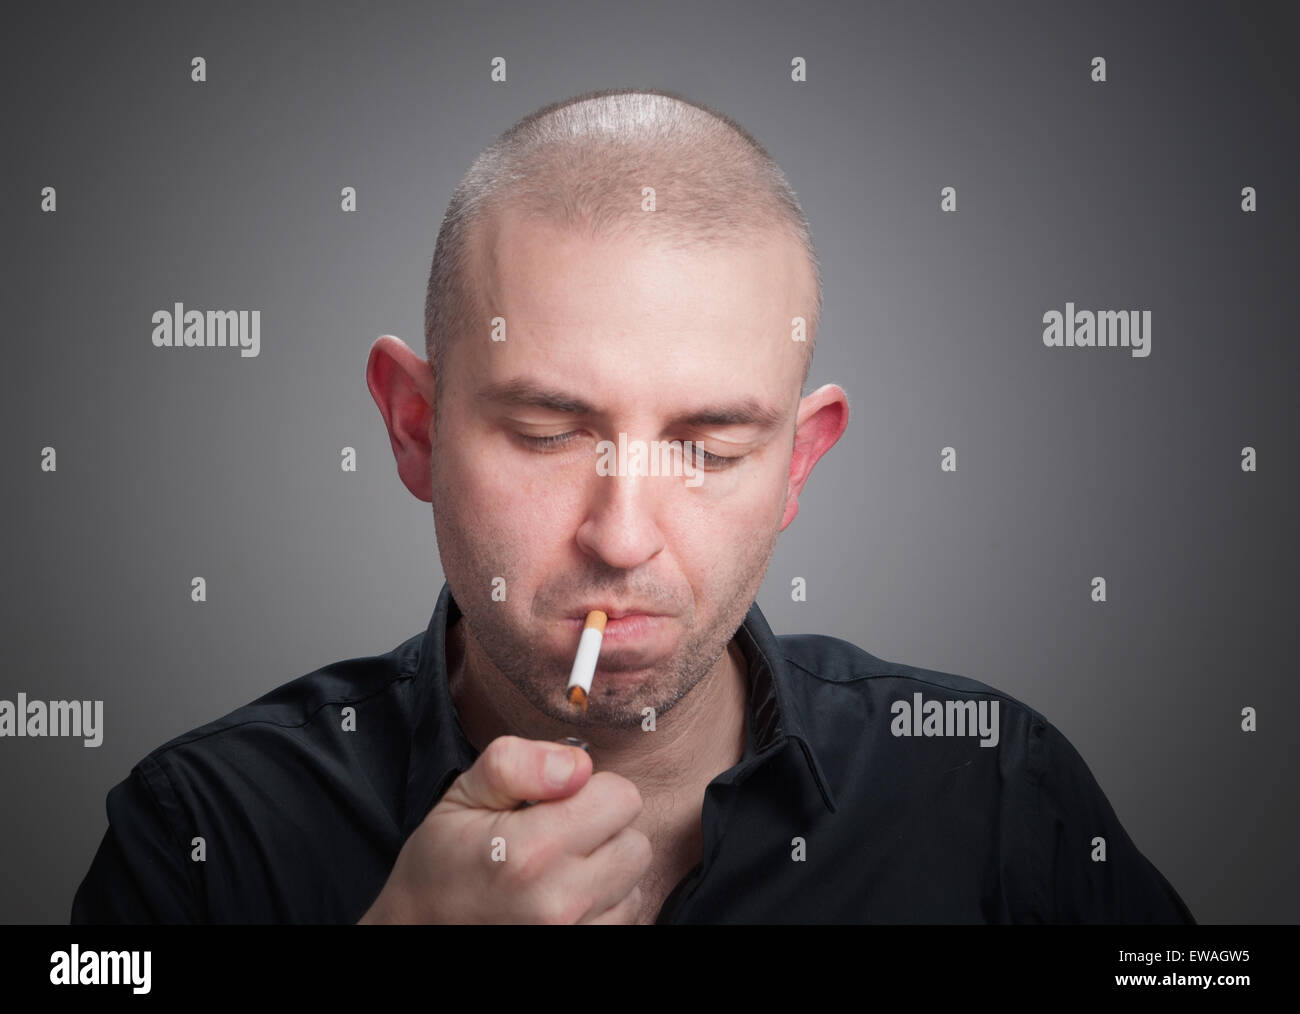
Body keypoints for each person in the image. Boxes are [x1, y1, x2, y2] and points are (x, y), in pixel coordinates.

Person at [71, 88, 1194, 925]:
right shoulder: (199, 835)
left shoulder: (990, 787)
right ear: (414, 427)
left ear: (798, 463)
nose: (621, 535)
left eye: (708, 447)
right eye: (550, 433)